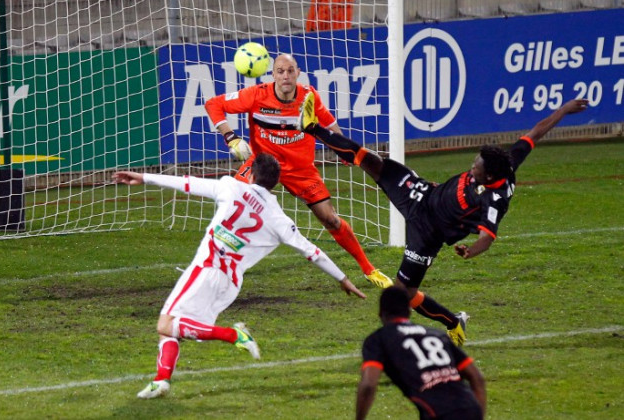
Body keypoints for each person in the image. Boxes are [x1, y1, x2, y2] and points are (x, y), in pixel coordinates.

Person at [298, 93, 589, 346]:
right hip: (423, 194)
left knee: (402, 295)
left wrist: (470, 251)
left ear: (488, 177)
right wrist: (564, 110)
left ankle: (451, 322)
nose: (470, 165)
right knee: (371, 160)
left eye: (475, 167)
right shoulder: (506, 162)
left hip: (427, 233)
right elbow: (536, 132)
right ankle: (312, 127)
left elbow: (487, 237)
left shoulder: (494, 199)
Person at [113, 153, 367, 399]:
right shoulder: (279, 218)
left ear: (252, 174)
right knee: (171, 330)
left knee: (165, 324)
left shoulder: (230, 187)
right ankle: (161, 381)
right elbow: (312, 252)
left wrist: (143, 177)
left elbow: (187, 183)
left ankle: (234, 335)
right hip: (230, 282)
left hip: (207, 267)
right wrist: (343, 279)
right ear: (276, 182)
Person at [204, 53, 392, 289]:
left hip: (301, 170)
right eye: (280, 71)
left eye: (290, 71)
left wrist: (345, 150)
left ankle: (369, 269)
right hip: (262, 164)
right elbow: (213, 104)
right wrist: (230, 137)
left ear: (298, 73)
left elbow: (329, 123)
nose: (285, 76)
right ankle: (212, 268)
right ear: (273, 74)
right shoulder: (256, 94)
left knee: (330, 218)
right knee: (232, 206)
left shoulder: (308, 96)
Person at [357, 285, 487, 420]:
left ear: (380, 313)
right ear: (409, 311)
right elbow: (476, 377)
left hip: (438, 414)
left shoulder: (379, 339)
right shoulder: (437, 334)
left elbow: (369, 385)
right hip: (470, 407)